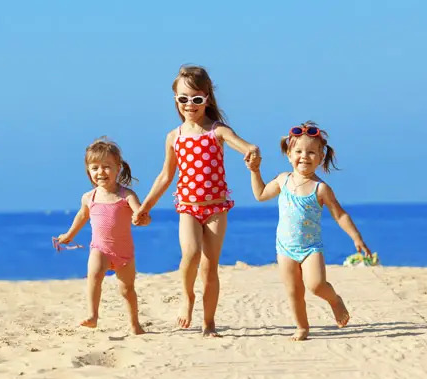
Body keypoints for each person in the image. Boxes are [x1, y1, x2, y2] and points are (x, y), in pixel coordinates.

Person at [133, 65, 260, 337]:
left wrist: (251, 152)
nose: (190, 105)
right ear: (175, 100)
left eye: (197, 99)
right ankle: (187, 297)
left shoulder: (216, 131)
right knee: (190, 255)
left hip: (216, 208)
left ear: (207, 99)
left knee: (209, 266)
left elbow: (242, 145)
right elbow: (165, 176)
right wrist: (144, 207)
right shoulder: (174, 137)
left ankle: (209, 322)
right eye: (183, 99)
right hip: (188, 207)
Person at [246, 121, 371, 341]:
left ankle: (334, 300)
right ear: (288, 154)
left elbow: (339, 215)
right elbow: (260, 194)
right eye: (299, 151)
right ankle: (302, 327)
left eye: (312, 152)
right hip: (284, 248)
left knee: (315, 285)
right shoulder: (283, 180)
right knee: (293, 291)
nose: (304, 156)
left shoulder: (320, 188)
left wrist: (356, 237)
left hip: (311, 247)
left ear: (321, 158)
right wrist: (255, 171)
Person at [56, 137, 150, 334]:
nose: (101, 172)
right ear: (89, 172)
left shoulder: (126, 195)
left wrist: (141, 219)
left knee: (127, 290)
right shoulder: (89, 197)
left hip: (124, 253)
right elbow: (82, 216)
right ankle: (93, 315)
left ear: (118, 168)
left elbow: (141, 214)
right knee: (94, 276)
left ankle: (135, 324)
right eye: (95, 168)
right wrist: (69, 235)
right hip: (100, 248)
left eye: (106, 167)